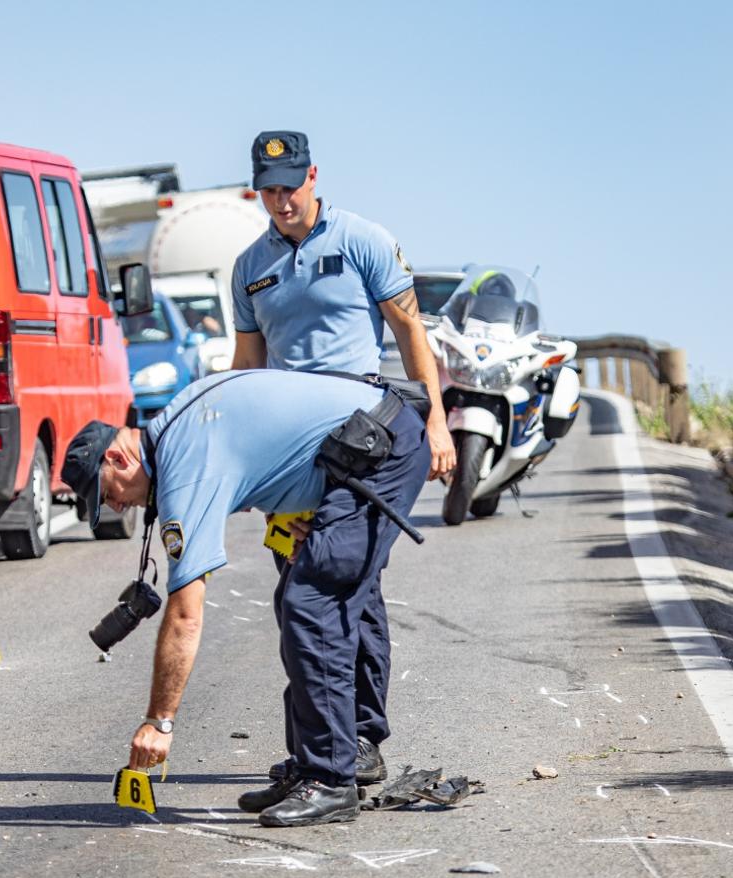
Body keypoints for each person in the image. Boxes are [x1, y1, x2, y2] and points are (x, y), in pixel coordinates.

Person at [62, 368, 430, 826]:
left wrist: (160, 721)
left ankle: (332, 779)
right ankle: (319, 763)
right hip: (356, 448)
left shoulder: (182, 469)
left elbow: (184, 616)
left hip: (382, 448)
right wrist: (298, 507)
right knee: (299, 597)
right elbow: (270, 444)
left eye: (108, 494)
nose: (117, 507)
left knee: (314, 603)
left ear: (118, 458)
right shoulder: (178, 428)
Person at [227, 130, 455, 795]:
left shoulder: (362, 239)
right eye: (268, 191)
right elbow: (247, 365)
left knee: (343, 585)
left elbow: (411, 330)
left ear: (313, 177)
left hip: (362, 441)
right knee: (301, 588)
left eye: (290, 187)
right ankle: (319, 743)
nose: (280, 201)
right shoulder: (250, 266)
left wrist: (436, 420)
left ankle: (359, 738)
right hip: (290, 453)